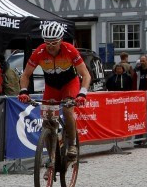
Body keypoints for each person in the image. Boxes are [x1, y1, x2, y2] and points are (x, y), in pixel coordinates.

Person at [17, 20, 92, 162]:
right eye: (47, 42)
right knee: (47, 121)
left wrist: (82, 93)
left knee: (68, 110)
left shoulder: (70, 50)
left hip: (70, 84)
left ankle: (72, 145)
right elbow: (25, 75)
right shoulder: (39, 52)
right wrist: (23, 91)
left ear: (61, 40)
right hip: (52, 86)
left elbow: (86, 75)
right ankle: (52, 159)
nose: (50, 46)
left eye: (54, 42)